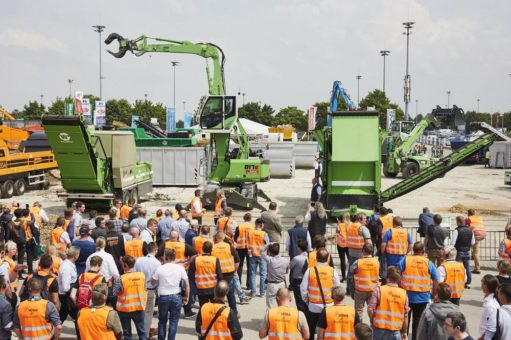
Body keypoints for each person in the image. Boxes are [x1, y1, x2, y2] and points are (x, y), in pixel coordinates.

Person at [398, 241, 439, 340]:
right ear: (423, 251)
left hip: (406, 297)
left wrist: (399, 288)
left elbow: (396, 274)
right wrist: (434, 294)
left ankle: (404, 337)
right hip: (422, 298)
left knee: (404, 321)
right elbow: (436, 279)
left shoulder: (405, 260)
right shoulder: (428, 262)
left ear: (413, 250)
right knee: (417, 323)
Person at [301, 248, 340, 340]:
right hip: (328, 305)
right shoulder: (332, 271)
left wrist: (307, 301)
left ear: (316, 258)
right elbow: (337, 288)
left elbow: (303, 289)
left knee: (311, 328)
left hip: (313, 306)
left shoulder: (310, 271)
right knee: (327, 330)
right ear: (327, 259)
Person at [151, 249, 189, 340]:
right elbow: (187, 284)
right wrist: (186, 296)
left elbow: (153, 282)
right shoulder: (180, 268)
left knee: (162, 321)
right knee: (173, 321)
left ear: (166, 257)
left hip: (163, 297)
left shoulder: (160, 268)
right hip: (176, 296)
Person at [368, 266, 408, 340]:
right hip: (395, 332)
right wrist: (404, 331)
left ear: (387, 277)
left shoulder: (379, 290)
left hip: (379, 329)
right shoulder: (404, 294)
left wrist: (372, 320)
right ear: (399, 279)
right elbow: (405, 316)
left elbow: (370, 308)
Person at [116, 256, 147, 340]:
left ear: (125, 265)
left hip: (124, 309)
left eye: (122, 264)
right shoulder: (142, 276)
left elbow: (114, 292)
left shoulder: (120, 278)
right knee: (142, 332)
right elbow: (144, 288)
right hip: (139, 307)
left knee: (127, 333)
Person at [135, 242, 161, 337]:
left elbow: (135, 274)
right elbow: (157, 279)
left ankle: (142, 332)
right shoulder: (157, 263)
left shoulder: (139, 261)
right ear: (155, 250)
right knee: (148, 313)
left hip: (139, 289)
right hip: (150, 290)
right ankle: (144, 335)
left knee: (140, 313)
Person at [212, 231, 240, 317]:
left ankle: (216, 312)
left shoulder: (213, 247)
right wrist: (235, 270)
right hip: (229, 274)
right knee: (230, 294)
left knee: (217, 293)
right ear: (224, 238)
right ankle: (234, 312)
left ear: (216, 238)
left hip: (217, 274)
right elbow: (237, 260)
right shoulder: (229, 247)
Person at [189, 241, 223, 306]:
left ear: (202, 249)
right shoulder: (215, 260)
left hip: (201, 288)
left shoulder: (196, 260)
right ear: (211, 249)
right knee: (214, 307)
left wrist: (194, 285)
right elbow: (220, 275)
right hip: (213, 288)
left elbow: (191, 274)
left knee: (203, 307)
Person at [351, 243, 379, 321]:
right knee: (372, 309)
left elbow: (351, 270)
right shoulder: (376, 262)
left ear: (363, 251)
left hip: (360, 290)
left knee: (358, 310)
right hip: (373, 289)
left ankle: (360, 328)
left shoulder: (358, 262)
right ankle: (373, 325)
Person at [347, 213, 372, 296]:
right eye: (365, 218)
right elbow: (368, 242)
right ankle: (360, 288)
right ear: (360, 219)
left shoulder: (350, 226)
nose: (366, 220)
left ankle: (349, 289)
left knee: (351, 271)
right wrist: (370, 254)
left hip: (351, 252)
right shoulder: (363, 228)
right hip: (361, 254)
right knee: (361, 272)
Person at [262, 243, 289, 309]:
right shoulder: (286, 261)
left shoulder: (270, 260)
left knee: (270, 305)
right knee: (282, 304)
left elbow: (261, 251)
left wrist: (267, 245)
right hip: (282, 284)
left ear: (271, 252)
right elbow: (287, 271)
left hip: (272, 285)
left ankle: (270, 318)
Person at [451, 216, 475, 289]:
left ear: (458, 222)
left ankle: (459, 282)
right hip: (467, 251)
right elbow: (473, 242)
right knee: (467, 267)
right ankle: (468, 283)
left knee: (459, 268)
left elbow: (453, 243)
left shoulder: (456, 230)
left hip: (459, 251)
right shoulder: (470, 230)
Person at [58, 246, 80, 323]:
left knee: (61, 316)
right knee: (78, 318)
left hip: (67, 296)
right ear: (76, 255)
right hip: (67, 296)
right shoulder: (66, 268)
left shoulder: (70, 264)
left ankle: (54, 332)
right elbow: (65, 287)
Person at [248, 218, 269, 297]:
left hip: (252, 255)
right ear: (261, 225)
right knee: (263, 274)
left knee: (252, 274)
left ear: (255, 224)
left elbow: (248, 243)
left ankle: (253, 291)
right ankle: (262, 292)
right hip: (262, 256)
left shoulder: (250, 233)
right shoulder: (264, 234)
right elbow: (267, 245)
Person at [477, 274, 499, 339]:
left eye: (482, 282)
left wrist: (481, 338)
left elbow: (491, 327)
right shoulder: (487, 300)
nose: (481, 284)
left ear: (487, 286)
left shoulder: (490, 305)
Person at [289, 239, 309, 313]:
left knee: (298, 300)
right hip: (307, 280)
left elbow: (290, 266)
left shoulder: (296, 258)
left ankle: (301, 315)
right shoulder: (309, 257)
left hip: (297, 281)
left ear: (299, 248)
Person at [235, 213, 254, 287]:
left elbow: (235, 237)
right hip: (249, 249)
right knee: (250, 266)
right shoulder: (252, 227)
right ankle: (249, 284)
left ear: (244, 218)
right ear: (250, 219)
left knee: (240, 266)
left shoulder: (239, 227)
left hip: (240, 248)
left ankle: (239, 283)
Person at [465, 209, 486, 274]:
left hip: (475, 235)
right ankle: (476, 267)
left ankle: (476, 268)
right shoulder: (479, 218)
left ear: (468, 213)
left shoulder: (468, 218)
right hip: (483, 234)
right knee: (475, 251)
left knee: (474, 252)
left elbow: (465, 227)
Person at [336, 213, 350, 282]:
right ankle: (350, 276)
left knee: (342, 261)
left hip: (341, 245)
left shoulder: (339, 225)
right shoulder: (350, 225)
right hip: (349, 244)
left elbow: (337, 233)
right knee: (350, 260)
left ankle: (343, 277)